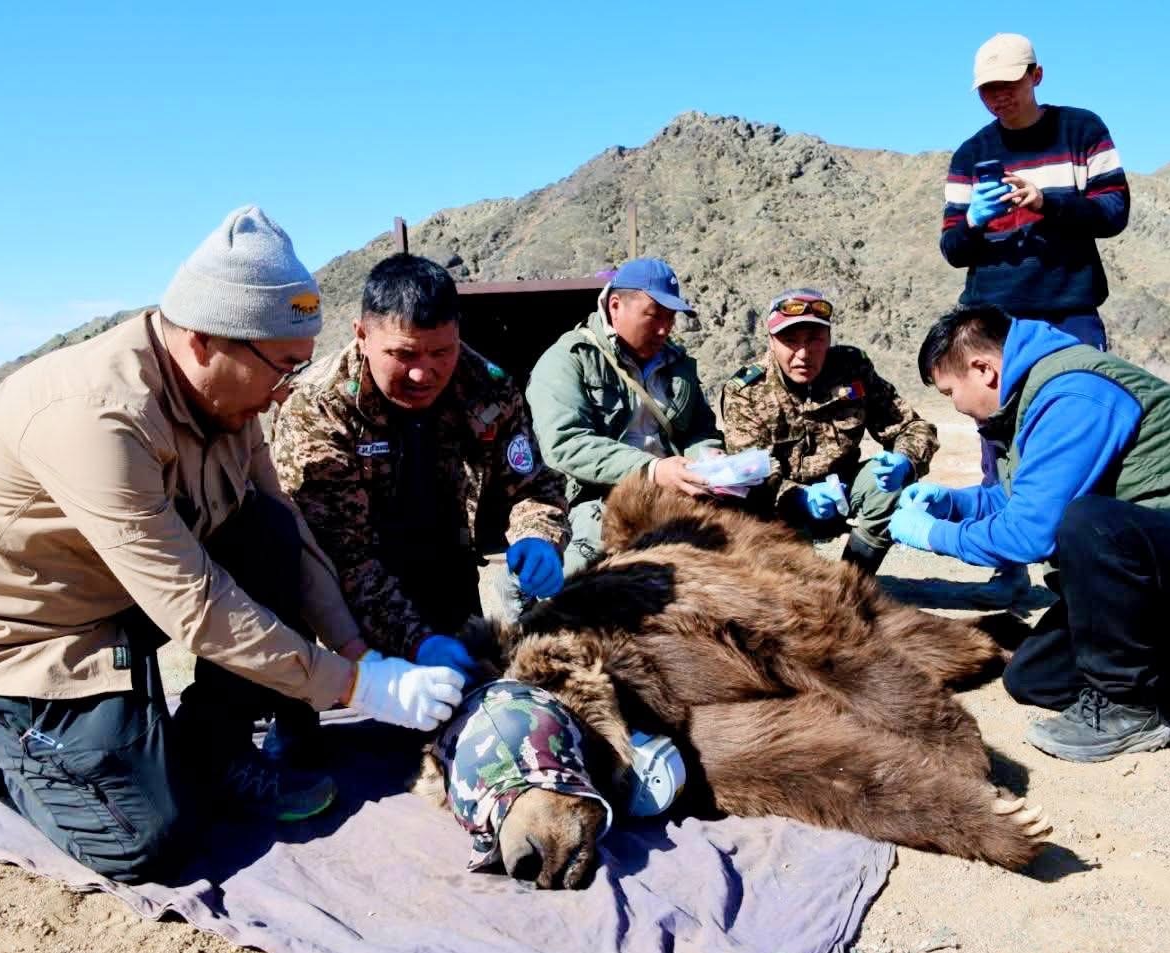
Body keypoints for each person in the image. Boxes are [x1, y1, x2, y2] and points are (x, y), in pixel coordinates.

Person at [0, 207, 466, 884]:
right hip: (17, 639)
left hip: (116, 599)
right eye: (281, 368)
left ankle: (213, 744)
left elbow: (289, 534)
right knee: (148, 839)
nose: (285, 390)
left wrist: (356, 650)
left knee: (265, 533)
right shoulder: (99, 419)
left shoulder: (230, 400)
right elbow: (194, 606)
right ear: (204, 341)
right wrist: (354, 687)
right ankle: (4, 753)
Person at [892, 305, 1170, 762]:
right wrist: (952, 503)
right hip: (1162, 568)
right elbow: (1021, 499)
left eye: (951, 392)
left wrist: (935, 537)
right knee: (1036, 678)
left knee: (1090, 524)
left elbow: (1031, 534)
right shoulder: (1029, 400)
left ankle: (1133, 709)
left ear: (983, 369)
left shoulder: (1074, 394)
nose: (956, 405)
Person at [270, 253, 569, 718]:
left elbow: (532, 487)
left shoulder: (487, 387)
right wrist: (416, 641)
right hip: (342, 590)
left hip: (443, 562)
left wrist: (539, 536)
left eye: (441, 352)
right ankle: (293, 722)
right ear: (362, 335)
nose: (422, 373)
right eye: (403, 354)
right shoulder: (319, 407)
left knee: (465, 703)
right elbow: (339, 555)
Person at [940, 32, 1131, 604]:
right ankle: (1006, 558)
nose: (998, 97)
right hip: (996, 314)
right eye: (987, 90)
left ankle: (1086, 561)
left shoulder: (1082, 130)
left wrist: (1048, 204)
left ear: (1036, 75)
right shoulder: (970, 155)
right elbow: (952, 247)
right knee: (995, 437)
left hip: (1069, 309)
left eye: (1008, 84)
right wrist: (974, 220)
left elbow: (1114, 210)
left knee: (1085, 424)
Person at [719, 289, 939, 575]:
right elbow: (750, 476)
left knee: (889, 487)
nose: (803, 354)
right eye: (789, 341)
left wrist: (905, 461)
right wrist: (798, 497)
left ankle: (854, 581)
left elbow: (912, 427)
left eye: (814, 340)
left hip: (844, 492)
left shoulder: (852, 369)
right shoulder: (746, 392)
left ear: (829, 338)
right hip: (779, 506)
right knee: (797, 593)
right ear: (771, 342)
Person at [525, 257, 724, 573]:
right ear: (615, 305)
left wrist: (707, 460)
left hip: (674, 490)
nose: (664, 328)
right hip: (595, 495)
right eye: (653, 316)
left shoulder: (679, 365)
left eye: (671, 318)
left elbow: (700, 427)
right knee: (584, 574)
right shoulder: (569, 360)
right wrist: (651, 470)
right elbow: (565, 444)